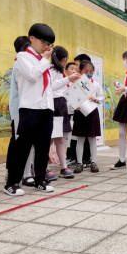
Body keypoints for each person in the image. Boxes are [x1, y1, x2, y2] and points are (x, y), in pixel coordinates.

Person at [3, 23, 56, 196]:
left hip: (46, 108)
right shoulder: (22, 57)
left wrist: (68, 79)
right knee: (22, 148)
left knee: (43, 148)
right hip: (30, 109)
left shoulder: (42, 60)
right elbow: (32, 76)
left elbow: (50, 86)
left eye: (49, 44)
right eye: (44, 42)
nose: (47, 47)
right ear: (31, 39)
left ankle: (40, 180)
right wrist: (45, 61)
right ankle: (12, 183)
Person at [72, 60, 104, 173]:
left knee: (92, 139)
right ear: (80, 71)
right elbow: (72, 98)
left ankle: (93, 162)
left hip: (92, 113)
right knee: (80, 139)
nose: (89, 73)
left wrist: (95, 99)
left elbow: (101, 98)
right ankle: (79, 163)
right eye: (86, 71)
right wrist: (75, 105)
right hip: (80, 113)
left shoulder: (95, 84)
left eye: (91, 71)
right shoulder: (76, 83)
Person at [50, 46, 77, 179]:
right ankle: (44, 168)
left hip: (61, 104)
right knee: (49, 139)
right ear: (63, 59)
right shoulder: (50, 70)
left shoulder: (60, 72)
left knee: (60, 138)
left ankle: (64, 166)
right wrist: (68, 79)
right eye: (65, 60)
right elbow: (52, 87)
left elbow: (62, 90)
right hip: (52, 105)